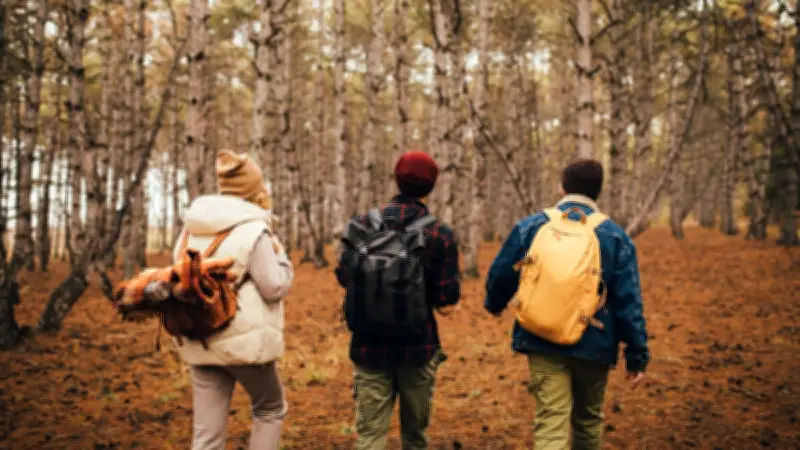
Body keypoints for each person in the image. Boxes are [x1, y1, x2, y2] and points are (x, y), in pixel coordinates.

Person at [484, 158, 650, 450]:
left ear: (561, 187)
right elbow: (628, 302)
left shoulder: (532, 225)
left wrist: (495, 304)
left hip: (540, 338)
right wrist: (636, 353)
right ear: (598, 192)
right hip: (595, 342)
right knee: (587, 421)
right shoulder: (615, 237)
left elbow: (501, 274)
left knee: (551, 420)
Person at [335, 150, 461, 450]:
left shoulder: (362, 224)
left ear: (396, 178)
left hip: (368, 345)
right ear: (431, 187)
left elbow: (343, 276)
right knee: (415, 437)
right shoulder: (439, 234)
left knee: (369, 437)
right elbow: (446, 297)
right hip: (419, 347)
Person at [174, 150, 294, 450]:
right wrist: (285, 263)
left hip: (200, 336)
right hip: (244, 343)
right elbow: (274, 286)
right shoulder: (254, 230)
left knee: (206, 434)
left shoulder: (191, 229)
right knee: (269, 409)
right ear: (254, 188)